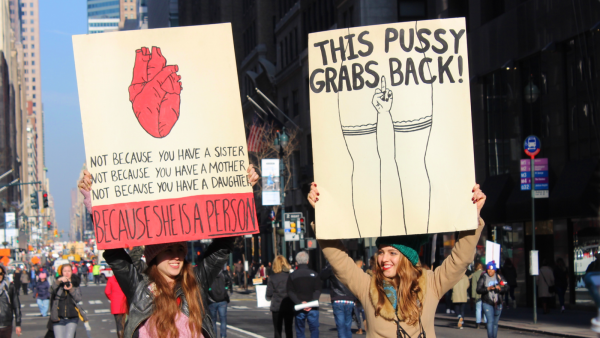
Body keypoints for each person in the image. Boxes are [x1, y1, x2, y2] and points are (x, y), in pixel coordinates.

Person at [79, 165, 259, 338]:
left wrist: (242, 191)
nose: (176, 256)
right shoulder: (140, 289)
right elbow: (114, 254)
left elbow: (222, 247)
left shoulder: (196, 283)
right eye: (168, 250)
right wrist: (93, 201)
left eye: (180, 249)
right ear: (154, 256)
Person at [308, 182, 486, 337]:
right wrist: (322, 213)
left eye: (392, 253)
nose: (384, 258)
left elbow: (460, 259)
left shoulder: (431, 284)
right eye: (381, 252)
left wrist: (473, 214)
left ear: (408, 257)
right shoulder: (367, 286)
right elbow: (339, 260)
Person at [287, 251, 321, 338]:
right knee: (314, 330)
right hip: (312, 306)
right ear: (307, 261)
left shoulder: (292, 275)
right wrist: (311, 302)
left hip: (299, 306)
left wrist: (299, 302)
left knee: (300, 331)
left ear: (297, 262)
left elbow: (290, 291)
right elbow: (317, 290)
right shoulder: (315, 274)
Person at [50, 264, 87, 338]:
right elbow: (50, 291)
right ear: (61, 272)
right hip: (58, 317)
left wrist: (71, 289)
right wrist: (58, 281)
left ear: (72, 272)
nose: (67, 273)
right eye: (65, 271)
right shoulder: (58, 283)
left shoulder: (75, 283)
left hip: (72, 317)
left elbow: (78, 298)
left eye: (69, 271)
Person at [321, 260, 356, 338]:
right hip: (349, 299)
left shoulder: (333, 266)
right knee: (347, 327)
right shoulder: (350, 265)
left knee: (341, 328)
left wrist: (328, 265)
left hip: (337, 298)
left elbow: (322, 276)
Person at [477, 261, 508, 338]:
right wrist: (488, 288)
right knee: (490, 321)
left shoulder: (499, 277)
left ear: (495, 270)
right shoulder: (483, 277)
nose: (490, 271)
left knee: (495, 323)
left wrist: (500, 289)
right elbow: (478, 290)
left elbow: (507, 287)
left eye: (492, 270)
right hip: (487, 302)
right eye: (488, 269)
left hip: (498, 302)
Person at [266, 256, 294, 338]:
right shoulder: (290, 276)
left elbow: (269, 294)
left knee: (277, 330)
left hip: (276, 306)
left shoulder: (272, 277)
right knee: (289, 329)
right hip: (289, 305)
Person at [207, 269, 233, 338]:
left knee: (213, 321)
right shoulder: (224, 274)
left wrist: (209, 293)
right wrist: (225, 289)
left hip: (212, 300)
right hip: (223, 300)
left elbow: (205, 287)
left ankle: (214, 336)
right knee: (223, 320)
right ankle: (223, 336)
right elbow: (229, 282)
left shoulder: (209, 275)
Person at [0, 264, 21, 337]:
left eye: (0, 274)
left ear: (3, 274)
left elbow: (16, 306)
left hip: (6, 325)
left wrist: (18, 324)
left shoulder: (9, 287)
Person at [470, 262, 487, 329]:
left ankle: (478, 323)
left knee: (478, 309)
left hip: (478, 294)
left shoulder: (474, 274)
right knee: (485, 309)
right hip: (485, 293)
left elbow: (474, 286)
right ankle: (486, 322)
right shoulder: (485, 273)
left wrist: (473, 295)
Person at [353, 259, 366, 335]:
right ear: (361, 263)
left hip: (356, 297)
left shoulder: (353, 273)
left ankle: (360, 329)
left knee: (357, 314)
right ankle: (367, 329)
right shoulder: (363, 272)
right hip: (363, 297)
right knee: (365, 315)